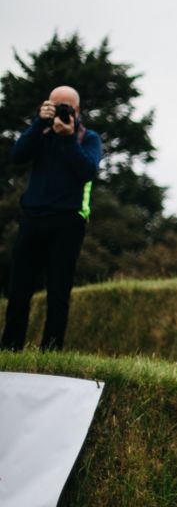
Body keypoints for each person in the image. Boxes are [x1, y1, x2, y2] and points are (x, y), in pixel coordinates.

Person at [2, 86, 102, 351]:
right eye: (55, 105)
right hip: (33, 216)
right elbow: (18, 156)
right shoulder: (41, 133)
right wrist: (38, 123)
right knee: (19, 288)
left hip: (68, 221)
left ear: (77, 110)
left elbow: (87, 171)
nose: (61, 110)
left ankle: (51, 350)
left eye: (66, 106)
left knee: (58, 291)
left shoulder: (87, 138)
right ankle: (10, 347)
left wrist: (68, 138)